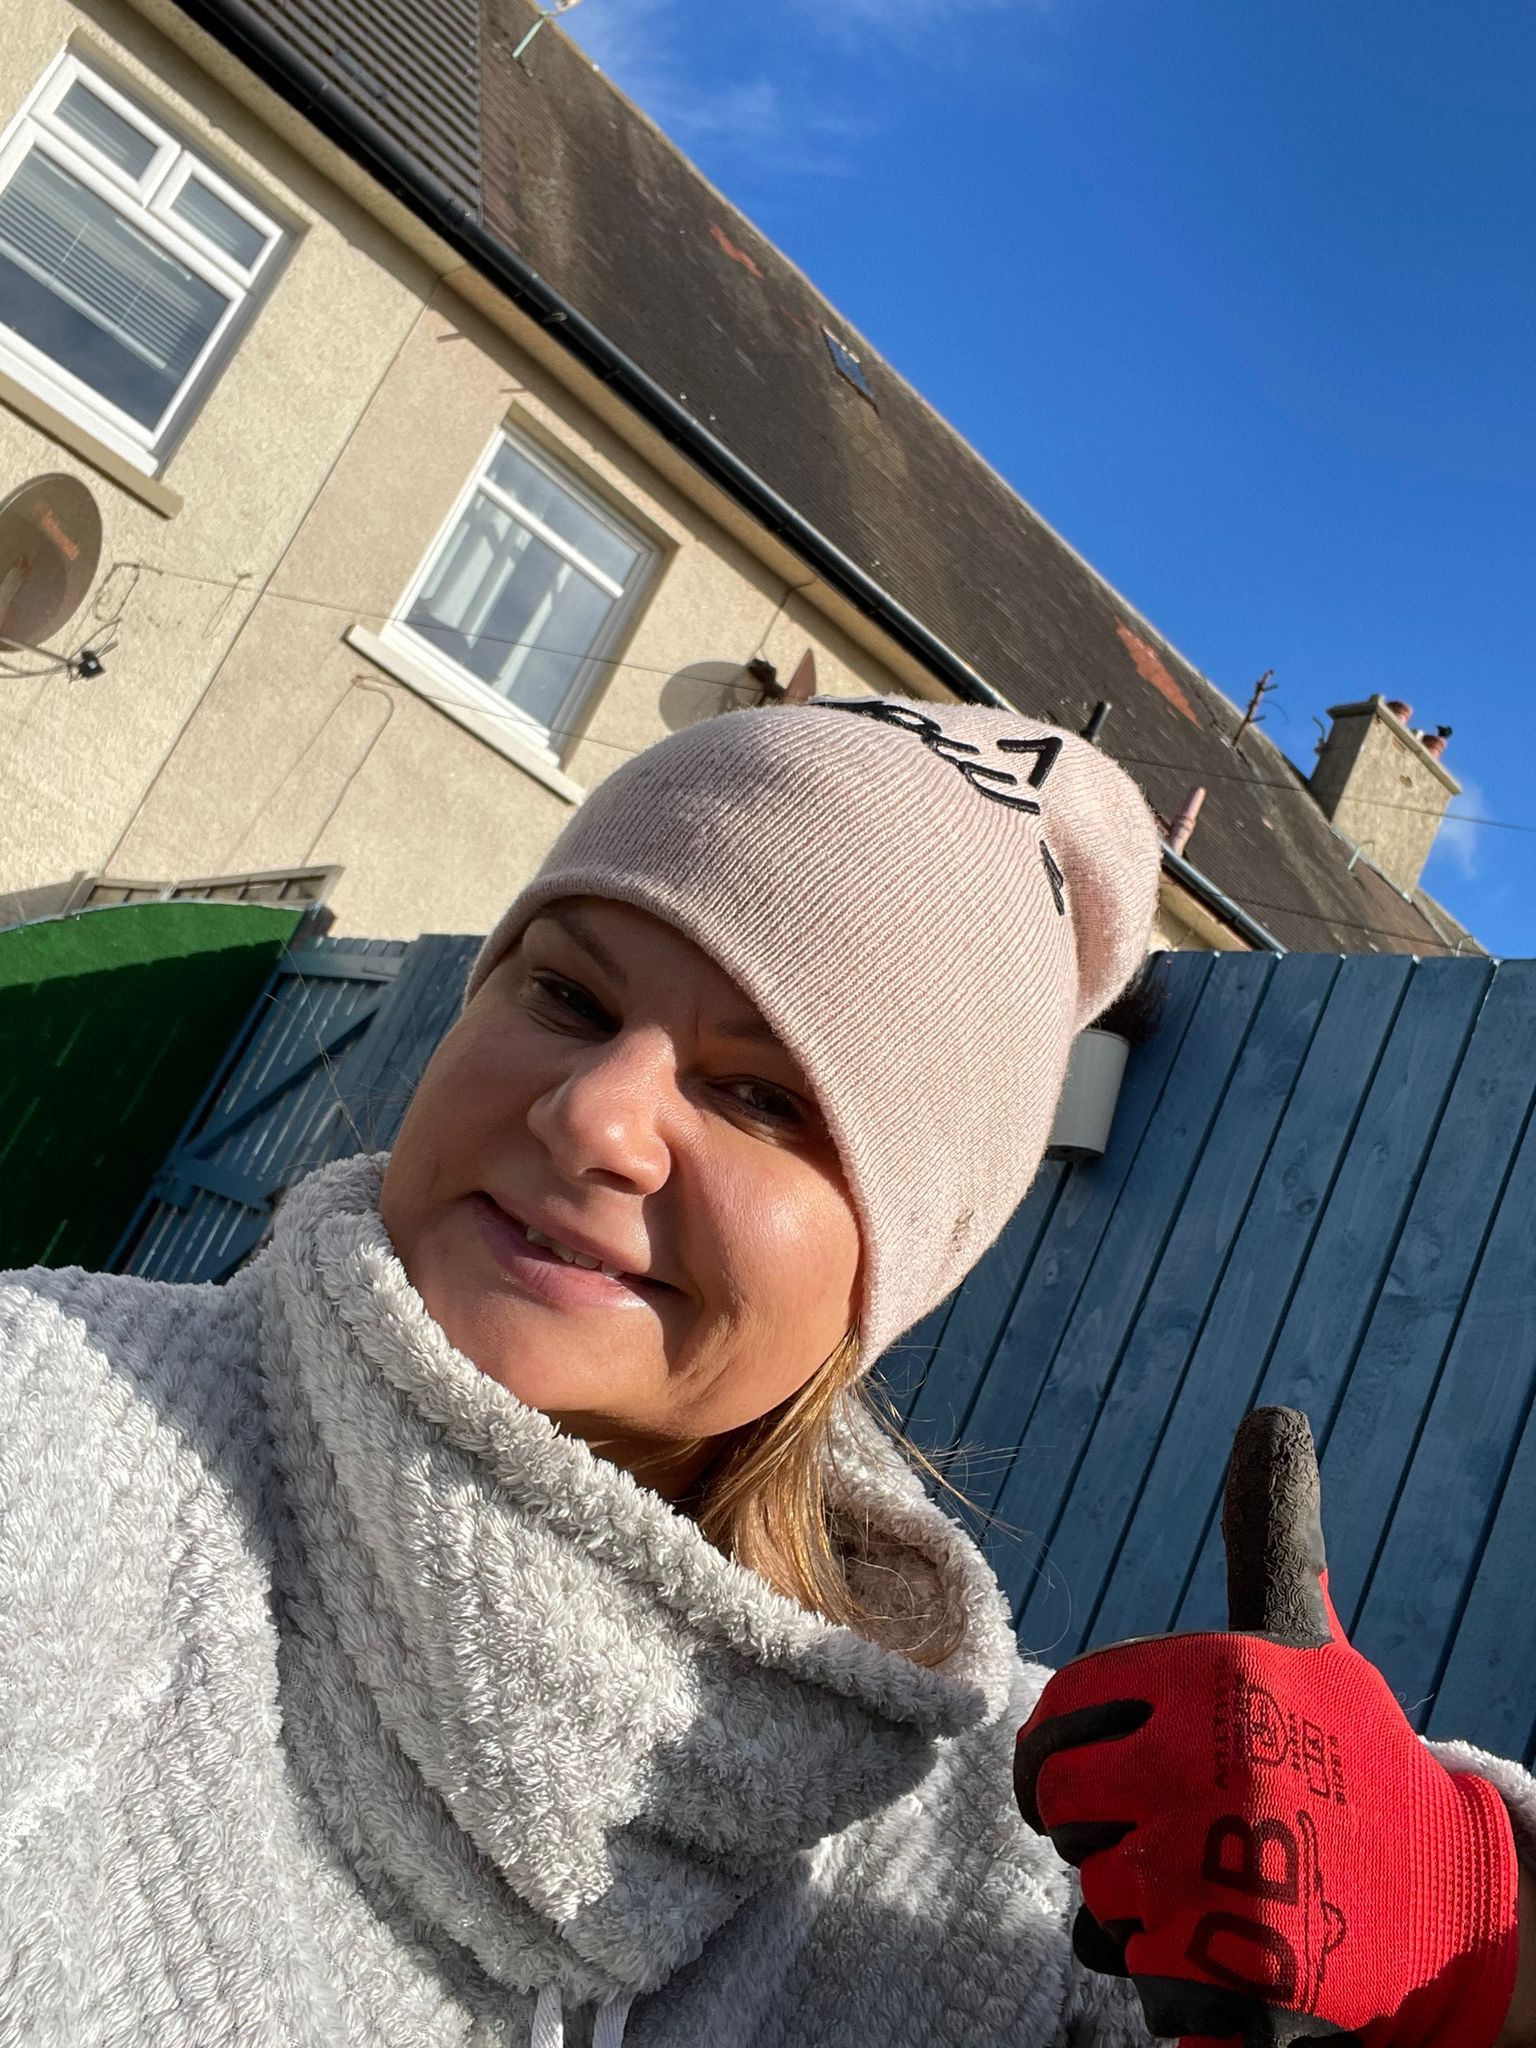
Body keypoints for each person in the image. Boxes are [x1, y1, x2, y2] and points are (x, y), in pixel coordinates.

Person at [0, 694, 1531, 2048]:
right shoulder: (50, 1434)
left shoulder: (1032, 1847)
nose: (596, 1117)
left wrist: (1481, 1949)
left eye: (762, 1093)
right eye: (569, 996)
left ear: (898, 1255)